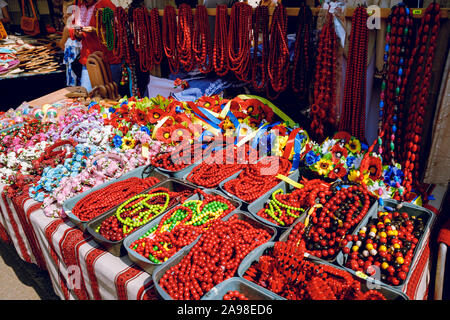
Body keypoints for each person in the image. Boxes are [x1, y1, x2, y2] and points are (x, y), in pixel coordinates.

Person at [68, 0, 121, 92]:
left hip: (109, 59)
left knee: (111, 95)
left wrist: (96, 31)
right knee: (87, 93)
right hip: (88, 58)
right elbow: (72, 26)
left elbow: (116, 31)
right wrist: (77, 33)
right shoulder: (78, 5)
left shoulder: (106, 4)